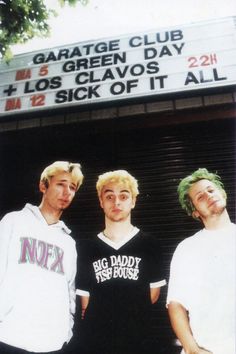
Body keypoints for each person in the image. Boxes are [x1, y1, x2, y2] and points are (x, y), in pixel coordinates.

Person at [76, 169, 166, 354]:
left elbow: (153, 295)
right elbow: (85, 302)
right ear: (101, 202)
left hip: (140, 342)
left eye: (123, 196)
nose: (116, 202)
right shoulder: (85, 249)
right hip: (95, 343)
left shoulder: (151, 245)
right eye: (109, 196)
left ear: (133, 201)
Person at [0, 161, 84, 354]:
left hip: (51, 343)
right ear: (43, 185)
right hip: (9, 336)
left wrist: (66, 330)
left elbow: (69, 291)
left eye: (72, 187)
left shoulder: (68, 243)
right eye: (61, 184)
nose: (67, 192)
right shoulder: (13, 222)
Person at [167, 168, 236, 354]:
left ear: (223, 193)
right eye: (200, 197)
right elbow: (176, 304)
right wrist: (193, 350)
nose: (208, 195)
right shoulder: (187, 249)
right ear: (195, 212)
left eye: (211, 190)